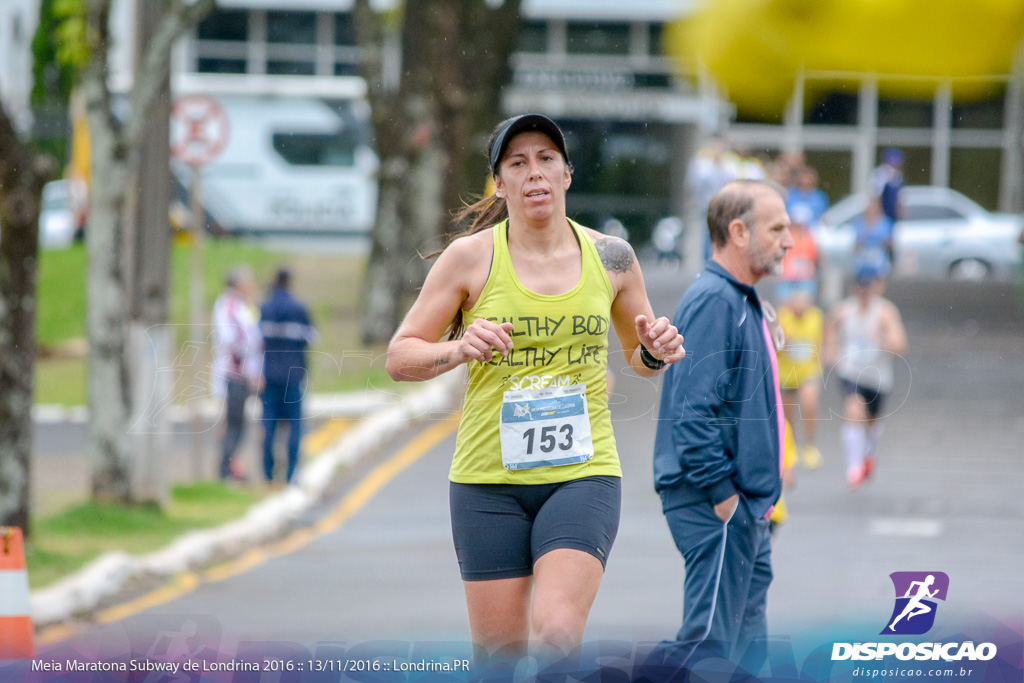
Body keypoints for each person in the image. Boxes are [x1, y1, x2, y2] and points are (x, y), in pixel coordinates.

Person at [385, 114, 685, 664]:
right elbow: (400, 357)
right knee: (498, 660)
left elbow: (640, 359)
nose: (534, 173)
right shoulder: (470, 258)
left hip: (582, 474)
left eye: (546, 159)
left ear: (567, 174)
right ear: (499, 184)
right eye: (517, 163)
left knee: (556, 637)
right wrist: (457, 348)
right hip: (486, 483)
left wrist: (655, 349)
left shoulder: (612, 257)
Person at [648, 179, 793, 676]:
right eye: (777, 228)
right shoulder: (715, 300)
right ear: (738, 231)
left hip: (747, 505)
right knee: (707, 643)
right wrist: (724, 496)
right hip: (717, 503)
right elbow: (694, 411)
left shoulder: (741, 298)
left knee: (745, 647)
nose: (789, 241)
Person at [822, 263, 907, 489]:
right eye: (861, 286)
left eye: (869, 286)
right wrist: (829, 351)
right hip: (851, 372)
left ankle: (870, 452)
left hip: (877, 378)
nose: (864, 292)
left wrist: (882, 338)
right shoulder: (842, 310)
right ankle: (854, 468)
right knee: (853, 411)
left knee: (871, 424)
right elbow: (829, 332)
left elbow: (900, 346)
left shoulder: (885, 312)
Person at [259, 268, 317, 486]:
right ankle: (292, 474)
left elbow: (257, 341)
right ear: (290, 282)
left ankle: (268, 473)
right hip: (293, 375)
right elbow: (312, 338)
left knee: (269, 424)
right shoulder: (299, 308)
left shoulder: (265, 308)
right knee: (295, 425)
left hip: (270, 374)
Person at [212, 266, 263, 482]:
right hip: (235, 374)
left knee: (238, 423)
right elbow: (235, 340)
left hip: (239, 372)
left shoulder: (241, 305)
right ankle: (226, 469)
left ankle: (232, 466)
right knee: (234, 424)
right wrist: (249, 370)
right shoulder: (230, 306)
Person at [776, 289, 824, 469]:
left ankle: (810, 446)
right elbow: (776, 345)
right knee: (788, 414)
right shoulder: (783, 316)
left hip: (808, 371)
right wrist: (785, 342)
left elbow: (819, 340)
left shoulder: (815, 316)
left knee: (810, 404)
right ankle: (791, 446)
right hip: (787, 373)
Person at [852, 196, 895, 276]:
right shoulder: (859, 225)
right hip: (863, 263)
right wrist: (866, 235)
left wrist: (884, 242)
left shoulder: (885, 223)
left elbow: (892, 245)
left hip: (879, 263)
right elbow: (854, 248)